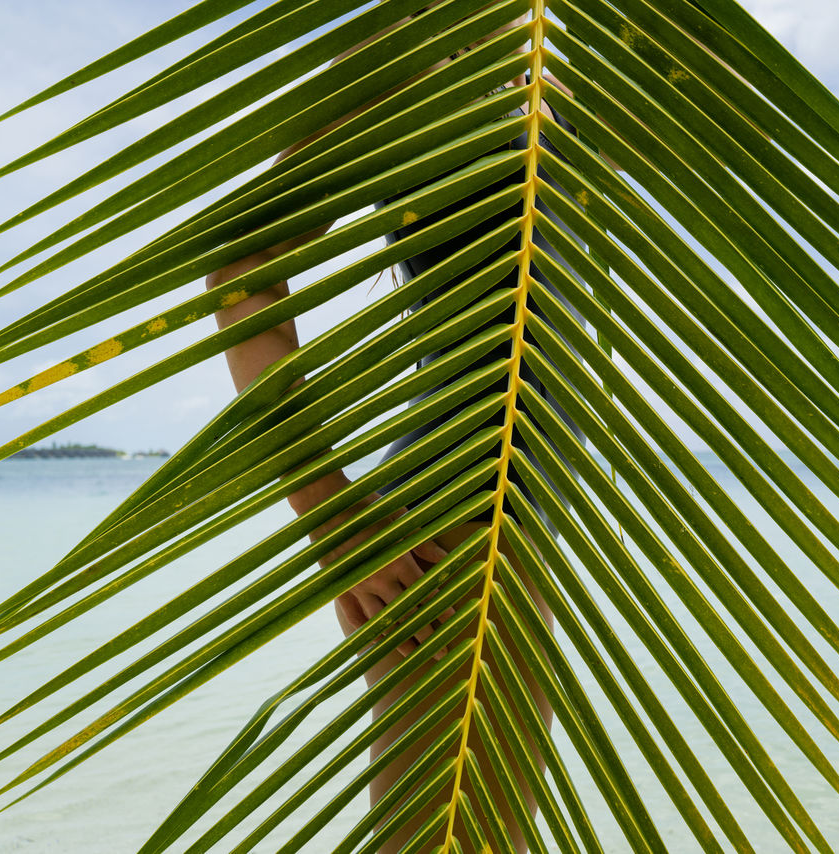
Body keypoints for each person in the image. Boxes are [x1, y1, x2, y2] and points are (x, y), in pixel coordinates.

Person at [205, 5, 596, 850]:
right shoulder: (410, 54)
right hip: (449, 521)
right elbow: (243, 260)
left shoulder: (567, 57)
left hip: (518, 513)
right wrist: (327, 513)